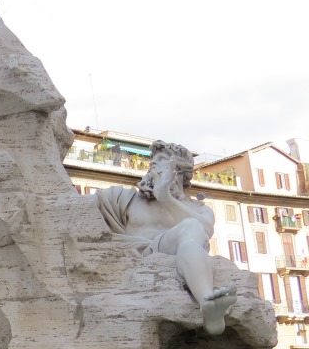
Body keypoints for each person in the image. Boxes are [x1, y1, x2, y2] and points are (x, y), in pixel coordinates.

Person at [94, 140, 237, 335]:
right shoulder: (123, 198)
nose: (153, 163)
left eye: (161, 159)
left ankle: (208, 305)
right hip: (134, 261)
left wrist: (165, 198)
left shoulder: (199, 209)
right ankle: (207, 301)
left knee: (191, 229)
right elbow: (77, 205)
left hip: (177, 257)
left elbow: (205, 231)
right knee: (190, 227)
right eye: (153, 159)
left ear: (179, 169)